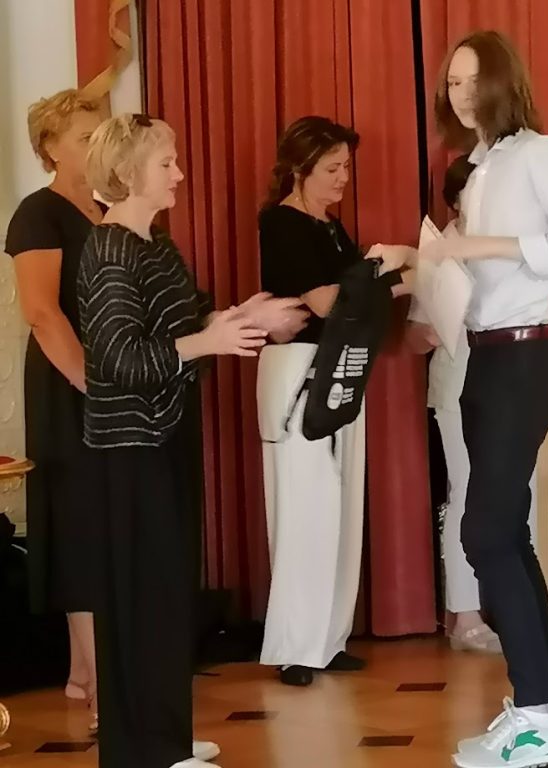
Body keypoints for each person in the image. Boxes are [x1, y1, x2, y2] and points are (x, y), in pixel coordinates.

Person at [411, 30, 548, 768]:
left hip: (523, 356)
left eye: (472, 80)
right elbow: (474, 276)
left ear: (502, 82)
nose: (461, 94)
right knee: (504, 533)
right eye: (452, 83)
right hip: (484, 356)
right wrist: (421, 260)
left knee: (486, 533)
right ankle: (544, 710)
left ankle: (540, 714)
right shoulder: (479, 168)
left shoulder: (537, 154)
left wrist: (483, 247)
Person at [78, 112, 303, 768]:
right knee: (143, 600)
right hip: (129, 448)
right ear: (127, 172)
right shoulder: (110, 251)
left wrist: (242, 317)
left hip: (166, 435)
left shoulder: (154, 243)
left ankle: (166, 737)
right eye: (166, 162)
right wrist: (211, 339)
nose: (179, 173)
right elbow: (119, 359)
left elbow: (186, 323)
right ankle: (145, 749)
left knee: (168, 594)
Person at [257, 115, 414, 687]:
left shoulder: (331, 227)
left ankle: (328, 638)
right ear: (300, 169)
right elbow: (327, 302)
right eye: (332, 168)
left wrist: (399, 277)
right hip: (300, 370)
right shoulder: (282, 222)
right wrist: (390, 272)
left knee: (341, 504)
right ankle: (297, 646)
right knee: (305, 504)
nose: (344, 177)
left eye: (347, 166)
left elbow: (353, 295)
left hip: (341, 364)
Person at [407, 155, 548, 654]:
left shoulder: (506, 242)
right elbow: (413, 337)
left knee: (518, 497)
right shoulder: (441, 248)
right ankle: (465, 616)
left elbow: (530, 312)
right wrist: (439, 324)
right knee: (469, 495)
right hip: (459, 385)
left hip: (514, 381)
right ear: (456, 202)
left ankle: (523, 615)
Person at [5, 89, 103, 730]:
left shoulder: (108, 208)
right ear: (50, 148)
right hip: (70, 383)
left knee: (99, 522)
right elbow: (43, 312)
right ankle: (99, 682)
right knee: (80, 524)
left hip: (109, 383)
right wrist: (92, 384)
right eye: (85, 138)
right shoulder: (37, 213)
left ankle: (83, 672)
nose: (98, 147)